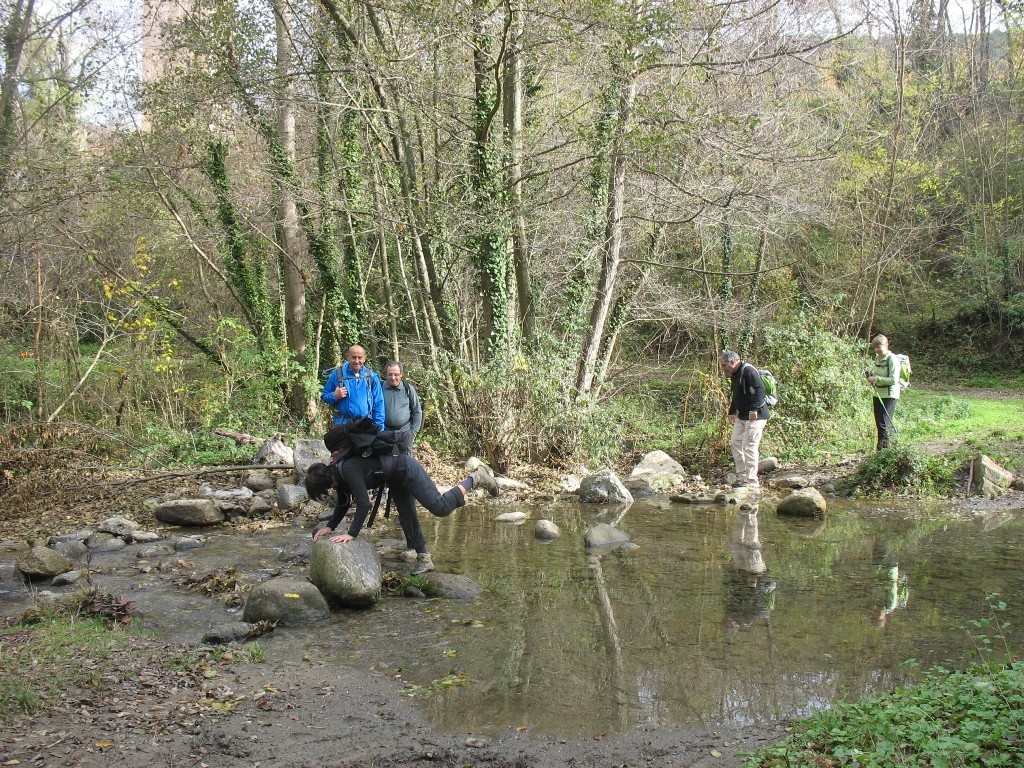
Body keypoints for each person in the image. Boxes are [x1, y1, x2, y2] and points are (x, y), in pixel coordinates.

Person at [305, 455, 499, 575]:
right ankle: (424, 559)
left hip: (406, 469)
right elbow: (342, 504)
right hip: (395, 478)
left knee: (440, 507)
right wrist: (329, 527)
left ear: (327, 481)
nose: (329, 492)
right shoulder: (338, 475)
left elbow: (365, 503)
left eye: (325, 489)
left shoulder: (346, 470)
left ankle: (475, 478)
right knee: (407, 517)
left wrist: (352, 533)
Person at [720, 350, 771, 488]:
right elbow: (736, 394)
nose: (724, 369)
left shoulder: (748, 370)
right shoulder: (735, 375)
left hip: (756, 416)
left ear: (732, 362)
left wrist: (754, 409)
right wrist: (731, 412)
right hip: (742, 416)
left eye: (724, 366)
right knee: (735, 443)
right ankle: (742, 477)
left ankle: (751, 481)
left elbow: (759, 388)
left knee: (749, 446)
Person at [321, 345, 385, 431]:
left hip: (365, 425)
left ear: (364, 358)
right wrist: (335, 396)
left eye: (360, 358)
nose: (357, 361)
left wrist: (379, 428)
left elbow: (378, 404)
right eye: (353, 357)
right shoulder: (337, 374)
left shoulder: (371, 377)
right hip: (343, 425)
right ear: (348, 357)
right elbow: (324, 396)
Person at [865, 334, 901, 450]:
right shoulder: (877, 358)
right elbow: (876, 374)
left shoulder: (892, 359)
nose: (876, 350)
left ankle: (884, 451)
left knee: (884, 423)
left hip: (890, 395)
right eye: (874, 348)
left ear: (886, 345)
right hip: (878, 394)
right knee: (879, 423)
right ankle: (883, 449)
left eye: (879, 347)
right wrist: (871, 378)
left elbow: (894, 380)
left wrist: (876, 379)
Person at [382, 361, 423, 439]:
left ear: (401, 374)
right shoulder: (380, 388)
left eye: (396, 374)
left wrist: (413, 432)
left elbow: (417, 411)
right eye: (390, 374)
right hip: (384, 433)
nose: (393, 377)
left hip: (405, 433)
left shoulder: (408, 389)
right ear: (386, 375)